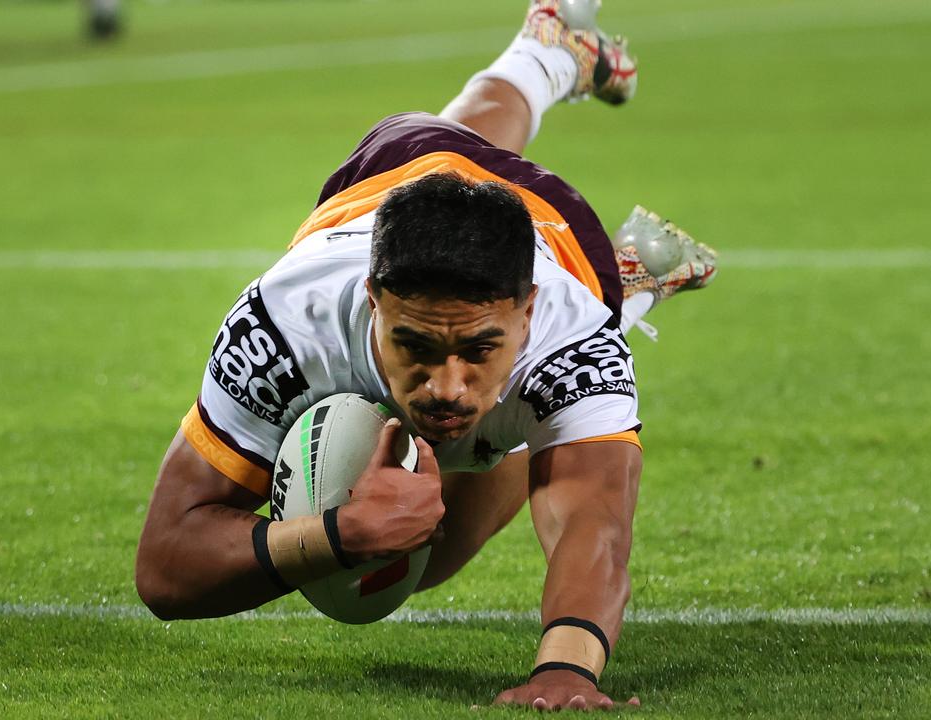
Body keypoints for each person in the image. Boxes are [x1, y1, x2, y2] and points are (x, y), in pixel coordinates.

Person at [135, 0, 717, 711]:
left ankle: (623, 284)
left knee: (433, 555)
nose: (446, 386)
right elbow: (164, 569)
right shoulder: (283, 325)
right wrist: (335, 535)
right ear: (375, 301)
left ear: (526, 314)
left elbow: (594, 517)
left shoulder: (571, 337)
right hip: (386, 185)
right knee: (458, 132)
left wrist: (567, 671)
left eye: (477, 350)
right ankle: (547, 51)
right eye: (417, 345)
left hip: (560, 237)